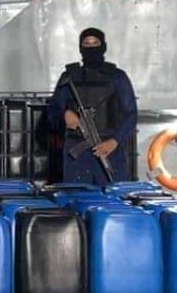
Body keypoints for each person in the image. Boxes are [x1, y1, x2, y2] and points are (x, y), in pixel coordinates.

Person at [46, 28, 137, 184]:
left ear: (103, 46)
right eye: (87, 44)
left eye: (95, 43)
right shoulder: (69, 77)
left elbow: (131, 115)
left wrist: (114, 141)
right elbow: (53, 111)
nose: (91, 47)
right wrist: (65, 114)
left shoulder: (117, 77)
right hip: (77, 151)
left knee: (113, 198)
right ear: (80, 48)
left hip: (109, 149)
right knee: (76, 199)